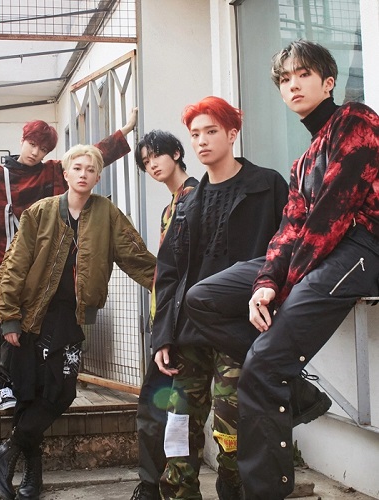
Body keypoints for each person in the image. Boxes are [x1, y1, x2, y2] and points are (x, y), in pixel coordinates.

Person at [185, 40, 379, 500]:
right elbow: (290, 228)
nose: (293, 85)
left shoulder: (356, 120)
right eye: (285, 79)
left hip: (362, 247)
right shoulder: (303, 161)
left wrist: (282, 285)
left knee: (263, 366)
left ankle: (266, 491)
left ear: (328, 82)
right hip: (321, 250)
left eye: (303, 74)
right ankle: (299, 392)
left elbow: (334, 210)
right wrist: (266, 282)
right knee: (202, 298)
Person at [0, 143, 156, 500]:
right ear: (65, 173)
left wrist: (169, 283)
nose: (83, 174)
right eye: (77, 168)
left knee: (61, 391)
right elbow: (13, 266)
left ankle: (5, 453)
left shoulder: (107, 213)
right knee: (28, 393)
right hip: (31, 314)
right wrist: (9, 318)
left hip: (70, 317)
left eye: (90, 169)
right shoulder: (41, 212)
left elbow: (134, 255)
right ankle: (31, 476)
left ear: (98, 176)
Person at [0, 107, 137, 410]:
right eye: (32, 144)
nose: (35, 152)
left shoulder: (52, 173)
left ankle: (16, 385)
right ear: (23, 140)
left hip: (35, 273)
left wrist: (124, 131)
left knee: (26, 331)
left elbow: (91, 158)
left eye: (43, 148)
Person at [147, 96, 289, 500]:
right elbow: (168, 273)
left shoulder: (267, 186)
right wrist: (162, 336)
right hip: (188, 334)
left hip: (239, 330)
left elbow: (287, 250)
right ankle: (179, 493)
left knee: (234, 429)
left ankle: (234, 486)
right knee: (178, 427)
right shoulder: (188, 201)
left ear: (232, 133)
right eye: (195, 134)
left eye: (211, 131)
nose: (202, 141)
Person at [131, 130, 199, 500]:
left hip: (184, 327)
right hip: (166, 326)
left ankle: (163, 487)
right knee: (154, 409)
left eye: (156, 155)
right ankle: (151, 485)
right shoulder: (170, 207)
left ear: (175, 152)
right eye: (145, 162)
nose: (152, 165)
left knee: (173, 413)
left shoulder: (195, 198)